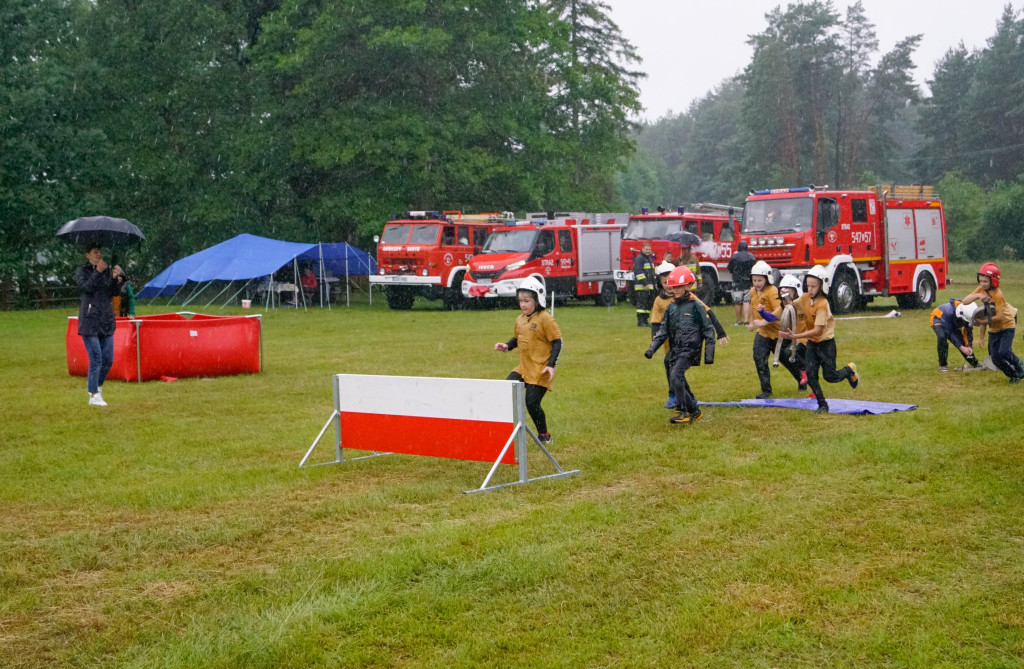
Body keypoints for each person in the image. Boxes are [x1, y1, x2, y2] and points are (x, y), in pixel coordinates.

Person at [779, 265, 858, 414]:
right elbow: (790, 305)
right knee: (810, 374)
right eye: (808, 286)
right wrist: (786, 296)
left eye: (813, 286)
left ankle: (849, 370)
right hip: (812, 344)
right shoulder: (804, 298)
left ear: (822, 286)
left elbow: (818, 330)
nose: (810, 289)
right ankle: (822, 405)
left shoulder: (822, 304)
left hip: (826, 344)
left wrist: (795, 337)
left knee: (830, 376)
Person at [494, 277, 562, 443]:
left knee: (531, 403)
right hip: (523, 368)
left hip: (540, 370)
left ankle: (544, 436)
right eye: (520, 301)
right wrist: (507, 346)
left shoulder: (546, 319)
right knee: (506, 389)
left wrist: (551, 365)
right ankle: (506, 432)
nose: (523, 304)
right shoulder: (520, 319)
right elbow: (518, 338)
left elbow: (557, 342)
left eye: (527, 301)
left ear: (537, 299)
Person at [644, 266, 716, 425]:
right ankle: (695, 411)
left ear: (688, 286)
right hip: (676, 349)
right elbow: (663, 331)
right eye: (673, 286)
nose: (674, 290)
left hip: (691, 349)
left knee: (675, 376)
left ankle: (682, 410)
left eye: (678, 287)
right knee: (678, 378)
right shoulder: (671, 308)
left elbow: (708, 329)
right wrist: (652, 348)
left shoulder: (696, 306)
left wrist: (709, 354)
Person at [75, 243, 125, 406]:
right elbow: (86, 287)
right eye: (95, 252)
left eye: (100, 252)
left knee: (108, 359)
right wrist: (98, 272)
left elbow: (114, 292)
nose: (99, 255)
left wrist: (118, 278)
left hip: (106, 320)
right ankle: (93, 394)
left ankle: (98, 386)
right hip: (89, 321)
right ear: (87, 255)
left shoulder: (107, 271)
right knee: (96, 358)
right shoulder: (82, 271)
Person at [961, 262, 1023, 383]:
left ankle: (1019, 364)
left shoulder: (998, 295)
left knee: (1004, 352)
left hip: (1006, 326)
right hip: (994, 329)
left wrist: (982, 321)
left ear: (993, 281)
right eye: (980, 281)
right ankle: (1014, 376)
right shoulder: (981, 289)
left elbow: (999, 316)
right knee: (995, 358)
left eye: (985, 281)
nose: (982, 284)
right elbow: (964, 301)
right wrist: (978, 295)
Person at [748, 261, 803, 399]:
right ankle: (766, 390)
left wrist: (763, 321)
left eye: (760, 280)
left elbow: (777, 314)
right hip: (763, 333)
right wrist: (752, 322)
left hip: (778, 333)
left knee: (787, 360)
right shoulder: (752, 292)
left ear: (768, 278)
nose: (756, 283)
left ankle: (802, 378)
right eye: (754, 280)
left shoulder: (773, 292)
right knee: (759, 358)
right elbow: (753, 307)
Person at [773, 274, 808, 388]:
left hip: (808, 338)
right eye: (783, 289)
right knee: (785, 353)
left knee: (830, 374)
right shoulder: (785, 306)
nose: (785, 291)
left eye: (788, 288)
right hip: (796, 337)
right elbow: (773, 317)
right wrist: (761, 315)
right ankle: (803, 376)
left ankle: (805, 372)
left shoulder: (803, 303)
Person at [929, 299, 980, 372]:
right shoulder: (949, 313)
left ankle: (974, 362)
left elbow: (968, 332)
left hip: (953, 322)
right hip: (939, 318)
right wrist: (961, 347)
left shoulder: (968, 314)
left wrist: (969, 346)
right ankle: (943, 365)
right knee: (942, 337)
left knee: (961, 341)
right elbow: (950, 334)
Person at [727, 241, 756, 326]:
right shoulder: (751, 257)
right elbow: (754, 269)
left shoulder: (735, 256)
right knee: (747, 301)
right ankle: (746, 321)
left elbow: (730, 268)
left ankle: (739, 321)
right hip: (748, 282)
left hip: (737, 282)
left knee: (737, 301)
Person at [632, 242, 657, 327]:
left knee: (648, 304)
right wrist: (645, 284)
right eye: (646, 249)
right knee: (641, 305)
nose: (648, 251)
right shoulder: (639, 259)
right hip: (641, 287)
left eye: (649, 250)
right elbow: (639, 272)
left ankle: (645, 321)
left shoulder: (649, 259)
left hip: (649, 287)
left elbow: (652, 273)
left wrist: (655, 283)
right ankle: (640, 321)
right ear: (642, 249)